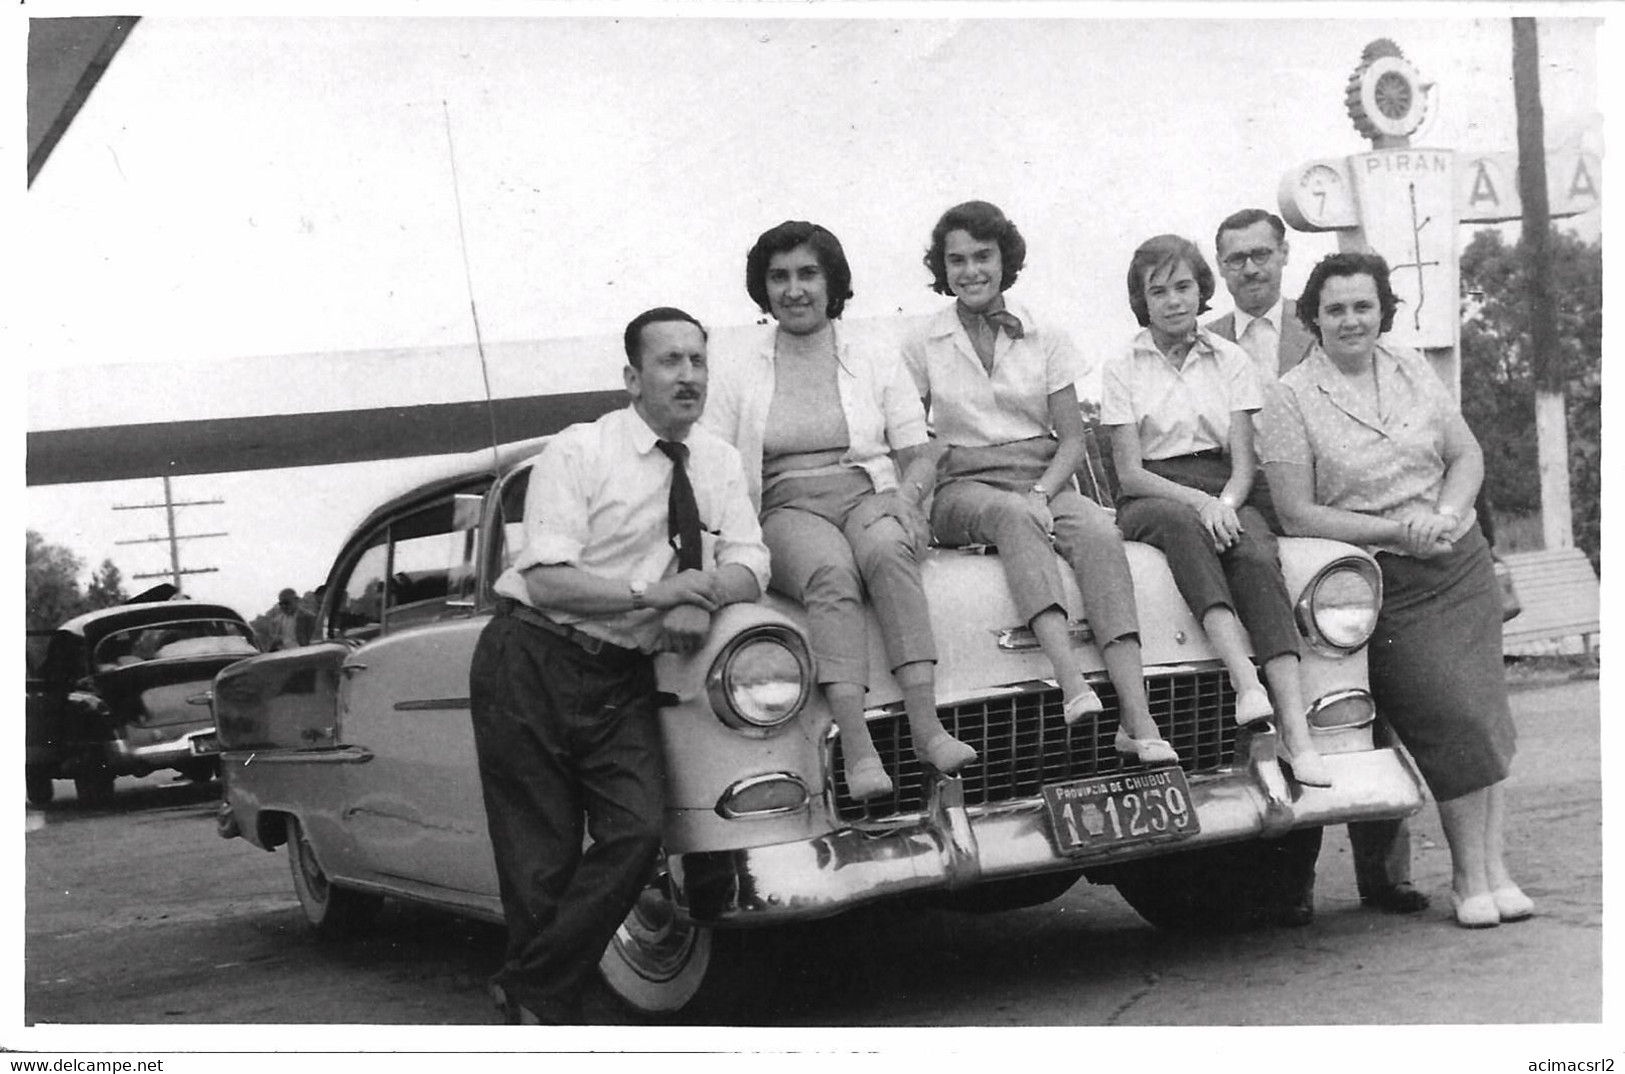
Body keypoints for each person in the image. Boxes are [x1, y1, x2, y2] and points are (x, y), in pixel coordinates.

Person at [470, 306, 769, 1023]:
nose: (688, 375)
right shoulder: (579, 452)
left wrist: (702, 595)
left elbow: (751, 559)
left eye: (698, 360)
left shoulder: (719, 461)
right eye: (670, 361)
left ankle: (529, 988)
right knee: (538, 864)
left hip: (619, 676)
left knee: (636, 835)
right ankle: (547, 1013)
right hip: (532, 658)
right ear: (633, 378)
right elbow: (545, 577)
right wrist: (652, 592)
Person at [1258, 251, 1529, 929]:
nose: (1349, 319)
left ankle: (1494, 872)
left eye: (1362, 306)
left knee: (1486, 722)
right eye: (1334, 308)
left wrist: (1442, 516)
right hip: (1383, 581)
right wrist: (1394, 531)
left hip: (1456, 560)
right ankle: (1468, 878)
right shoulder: (1290, 395)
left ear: (1382, 310)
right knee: (1451, 722)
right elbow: (1295, 511)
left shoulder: (1411, 367)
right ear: (1312, 319)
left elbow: (1465, 455)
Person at [707, 220, 975, 802]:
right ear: (763, 287)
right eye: (779, 277)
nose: (794, 289)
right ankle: (857, 748)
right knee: (832, 573)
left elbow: (917, 451)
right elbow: (712, 463)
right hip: (784, 505)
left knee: (887, 551)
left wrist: (908, 502)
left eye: (808, 273)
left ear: (832, 282)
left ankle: (928, 729)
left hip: (866, 490)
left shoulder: (873, 353)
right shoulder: (736, 365)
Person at [1209, 209, 1426, 924]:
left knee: (1372, 691)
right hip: (1251, 535)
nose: (1249, 268)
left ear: (1282, 257)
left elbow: (1414, 437)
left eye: (1260, 255)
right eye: (1234, 258)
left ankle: (1385, 875)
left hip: (1337, 536)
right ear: (1221, 267)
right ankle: (1288, 883)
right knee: (1286, 698)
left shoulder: (1326, 325)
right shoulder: (1203, 345)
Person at [902, 200, 1172, 764]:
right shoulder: (921, 342)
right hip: (961, 485)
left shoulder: (1045, 332)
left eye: (983, 256)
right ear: (941, 268)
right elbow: (914, 439)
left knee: (1099, 532)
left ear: (1006, 259)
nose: (971, 271)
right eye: (957, 260)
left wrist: (1044, 492)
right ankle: (1072, 683)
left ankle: (1136, 717)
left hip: (1041, 476)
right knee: (1014, 517)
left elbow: (1072, 440)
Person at [1100, 234, 1330, 788]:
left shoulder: (1230, 359)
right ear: (1143, 299)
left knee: (1253, 551)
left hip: (1222, 483)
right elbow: (1129, 472)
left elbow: (1244, 463)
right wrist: (1202, 504)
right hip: (1153, 493)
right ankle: (1244, 682)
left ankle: (1297, 734)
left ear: (1201, 289)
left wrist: (1224, 503)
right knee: (1184, 527)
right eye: (1159, 291)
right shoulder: (1121, 367)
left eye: (1183, 286)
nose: (1174, 300)